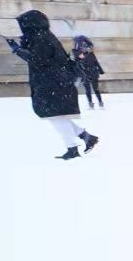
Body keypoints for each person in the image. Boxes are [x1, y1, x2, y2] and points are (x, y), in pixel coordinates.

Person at [7, 10, 99, 160]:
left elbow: (38, 60)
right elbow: (41, 57)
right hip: (53, 82)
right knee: (55, 115)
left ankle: (72, 148)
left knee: (54, 116)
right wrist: (22, 45)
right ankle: (86, 137)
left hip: (52, 83)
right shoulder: (42, 36)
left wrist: (18, 50)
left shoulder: (41, 38)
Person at [72, 35, 106, 108]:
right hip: (86, 73)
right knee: (90, 89)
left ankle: (98, 103)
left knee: (93, 89)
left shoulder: (84, 54)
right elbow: (76, 63)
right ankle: (95, 103)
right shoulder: (77, 53)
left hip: (90, 72)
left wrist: (100, 70)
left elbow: (95, 62)